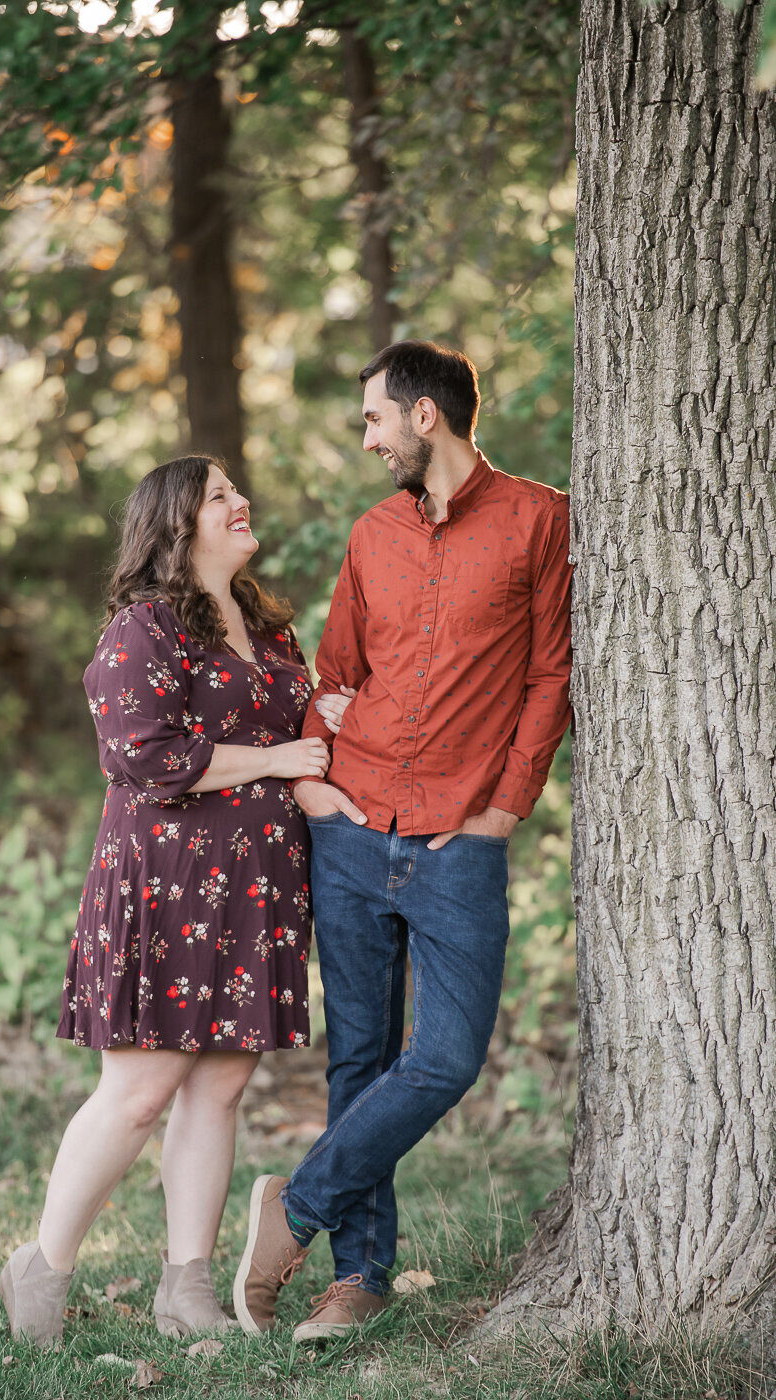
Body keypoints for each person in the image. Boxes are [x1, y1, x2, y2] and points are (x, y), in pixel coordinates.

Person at [233, 339, 573, 1340]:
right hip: (352, 824)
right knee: (359, 1057)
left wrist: (504, 807)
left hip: (460, 838)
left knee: (447, 1056)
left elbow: (550, 674)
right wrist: (313, 783)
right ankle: (358, 1277)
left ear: (426, 415)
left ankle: (294, 1207)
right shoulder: (373, 531)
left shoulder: (538, 519)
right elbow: (335, 673)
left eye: (374, 418)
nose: (367, 438)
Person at [0, 454, 344, 1347]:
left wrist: (326, 724)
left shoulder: (267, 628)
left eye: (236, 490)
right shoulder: (143, 627)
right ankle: (42, 1268)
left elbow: (299, 732)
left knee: (220, 1089)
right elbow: (140, 755)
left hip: (259, 887)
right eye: (219, 495)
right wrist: (274, 759)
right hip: (169, 885)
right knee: (139, 1091)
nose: (241, 502)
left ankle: (185, 1288)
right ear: (175, 524)